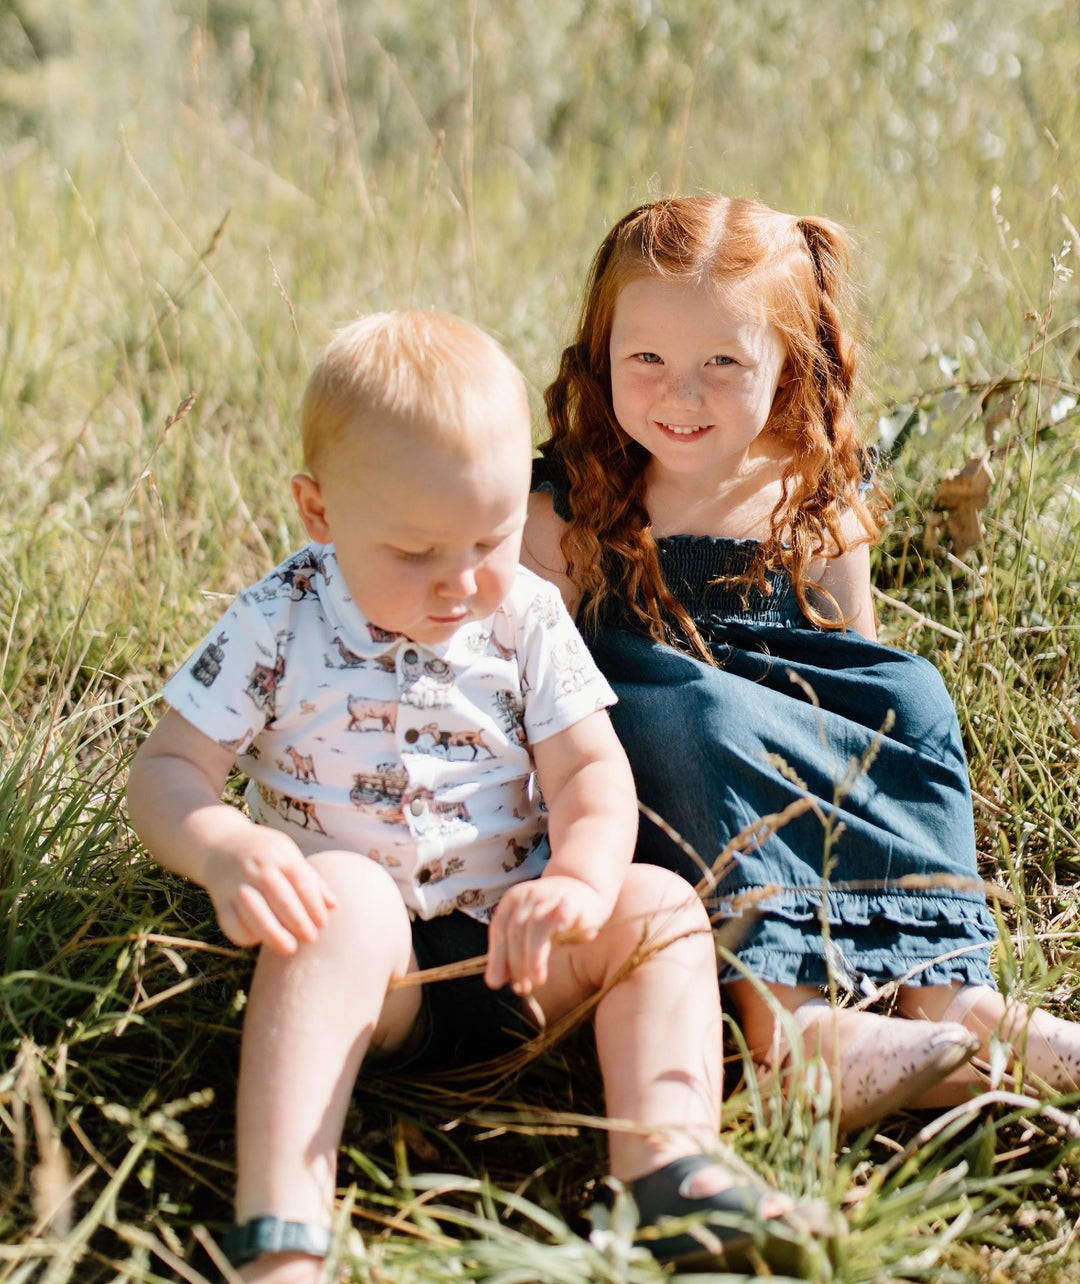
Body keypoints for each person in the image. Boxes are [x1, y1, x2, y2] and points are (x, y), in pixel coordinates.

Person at [126, 311, 824, 1284]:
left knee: (659, 907)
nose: (459, 584)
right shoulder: (278, 620)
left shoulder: (525, 614)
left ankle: (674, 1170)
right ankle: (282, 1236)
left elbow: (588, 773)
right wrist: (221, 847)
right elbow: (166, 770)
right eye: (416, 552)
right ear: (320, 513)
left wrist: (578, 881)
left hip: (521, 950)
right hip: (374, 975)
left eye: (491, 539)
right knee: (342, 901)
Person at [522, 193, 1080, 1133]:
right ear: (602, 351)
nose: (682, 394)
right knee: (700, 713)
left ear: (788, 363)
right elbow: (527, 686)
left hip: (782, 721)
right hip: (664, 742)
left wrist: (873, 722)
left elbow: (851, 658)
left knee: (910, 694)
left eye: (723, 363)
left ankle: (954, 998)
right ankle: (792, 1030)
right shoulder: (567, 505)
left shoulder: (811, 486)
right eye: (647, 359)